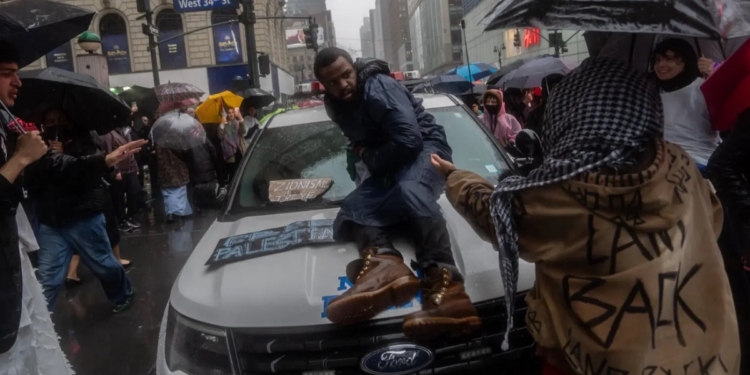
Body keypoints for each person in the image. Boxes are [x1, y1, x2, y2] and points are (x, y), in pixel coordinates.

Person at [430, 58, 740, 374]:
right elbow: (713, 220)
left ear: (568, 111)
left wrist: (456, 175)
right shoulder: (679, 165)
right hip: (702, 355)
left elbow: (497, 215)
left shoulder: (562, 190)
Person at [314, 47, 480, 339]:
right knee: (353, 207)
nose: (342, 85)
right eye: (333, 82)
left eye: (346, 75)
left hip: (426, 148)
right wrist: (368, 156)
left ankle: (448, 290)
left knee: (410, 190)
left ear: (355, 68)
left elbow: (409, 141)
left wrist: (369, 155)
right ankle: (384, 265)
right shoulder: (335, 105)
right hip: (392, 160)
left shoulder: (378, 85)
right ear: (323, 86)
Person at [27, 108, 138, 312]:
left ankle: (123, 294)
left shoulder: (85, 139)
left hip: (83, 215)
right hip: (51, 220)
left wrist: (63, 156)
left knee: (104, 265)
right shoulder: (37, 144)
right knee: (47, 277)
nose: (53, 124)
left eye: (58, 119)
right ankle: (40, 321)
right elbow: (32, 178)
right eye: (49, 120)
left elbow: (88, 170)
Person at [652, 38, 717, 173]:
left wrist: (715, 78)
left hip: (699, 163)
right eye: (657, 60)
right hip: (662, 163)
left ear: (685, 63)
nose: (661, 65)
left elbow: (728, 118)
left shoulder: (702, 87)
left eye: (669, 59)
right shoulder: (655, 92)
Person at [101, 123, 143, 230]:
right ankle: (122, 221)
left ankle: (130, 216)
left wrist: (135, 166)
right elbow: (108, 152)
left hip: (130, 168)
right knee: (118, 197)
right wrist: (115, 171)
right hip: (119, 170)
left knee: (135, 191)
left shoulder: (126, 132)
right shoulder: (109, 134)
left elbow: (130, 152)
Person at [157, 136, 192, 223]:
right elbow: (187, 155)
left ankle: (171, 212)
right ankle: (179, 212)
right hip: (179, 170)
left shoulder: (159, 141)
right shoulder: (179, 139)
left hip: (165, 171)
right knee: (180, 192)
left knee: (168, 193)